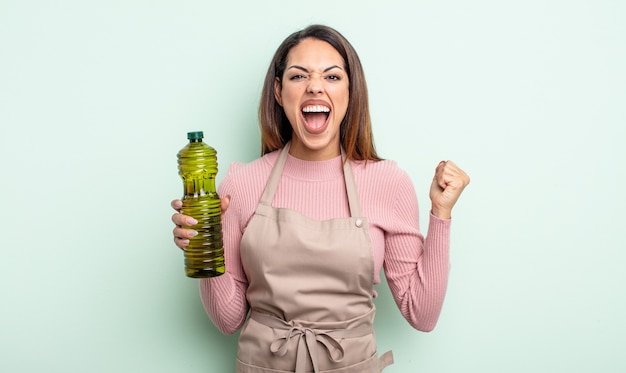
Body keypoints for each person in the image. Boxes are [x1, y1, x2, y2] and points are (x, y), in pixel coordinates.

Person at [171, 24, 470, 373]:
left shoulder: (387, 182)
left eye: (331, 76)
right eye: (299, 77)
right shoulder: (242, 182)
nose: (315, 85)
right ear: (279, 92)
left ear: (350, 92)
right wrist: (204, 243)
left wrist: (441, 214)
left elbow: (422, 313)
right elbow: (227, 319)